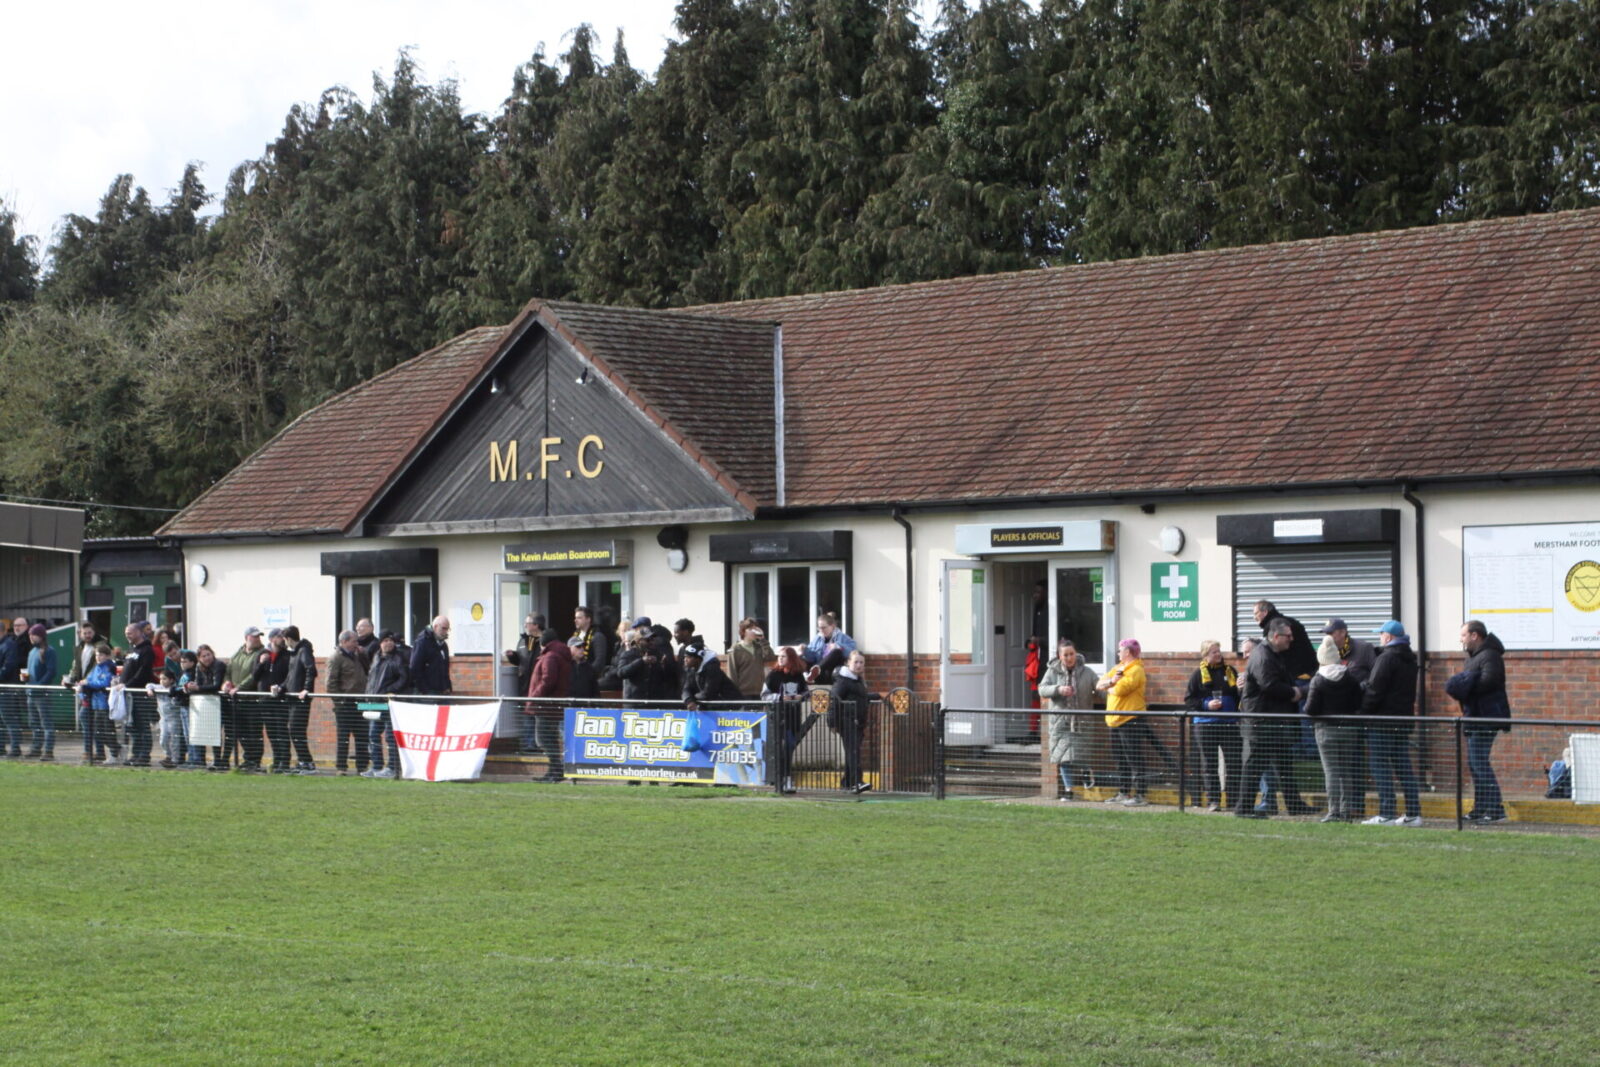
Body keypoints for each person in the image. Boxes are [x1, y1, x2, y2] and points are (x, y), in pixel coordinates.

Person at [1234, 620, 1319, 818]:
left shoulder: (1273, 655)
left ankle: (1294, 805)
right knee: (1255, 766)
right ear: (1275, 637)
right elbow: (1269, 685)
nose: (1291, 639)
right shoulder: (1263, 656)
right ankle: (1243, 809)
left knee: (1284, 765)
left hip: (1273, 722)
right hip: (1262, 723)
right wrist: (1295, 693)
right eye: (1288, 636)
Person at [1360, 620, 1422, 826]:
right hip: (1402, 720)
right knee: (1404, 767)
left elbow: (1374, 689)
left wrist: (1363, 712)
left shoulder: (1386, 658)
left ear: (1388, 637)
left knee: (1380, 767)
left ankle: (1386, 813)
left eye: (1381, 634)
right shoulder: (1410, 659)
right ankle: (1413, 814)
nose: (1379, 638)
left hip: (1381, 721)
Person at [1452, 619, 1510, 823]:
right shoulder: (1475, 657)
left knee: (1479, 762)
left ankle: (1496, 809)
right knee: (1474, 763)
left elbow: (1489, 681)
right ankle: (1481, 807)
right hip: (1475, 717)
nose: (1461, 640)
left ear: (1474, 635)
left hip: (1486, 717)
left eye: (1463, 635)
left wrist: (1464, 686)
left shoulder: (1490, 655)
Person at [1305, 635, 1364, 822]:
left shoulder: (1318, 680)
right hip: (1348, 729)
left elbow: (1310, 709)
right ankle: (1346, 811)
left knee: (1331, 771)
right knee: (1346, 771)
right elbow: (1358, 703)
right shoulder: (1350, 678)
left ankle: (1333, 811)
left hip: (1325, 730)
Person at [1184, 640, 1240, 812]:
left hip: (1229, 723)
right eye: (1214, 652)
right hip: (1205, 724)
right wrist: (1206, 705)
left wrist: (1241, 690)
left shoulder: (1230, 671)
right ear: (1205, 655)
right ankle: (1213, 800)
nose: (1218, 654)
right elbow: (1189, 700)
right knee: (1209, 764)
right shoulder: (1197, 674)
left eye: (1218, 651)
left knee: (1234, 762)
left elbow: (1238, 696)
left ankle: (1234, 800)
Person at [1039, 638, 1097, 800]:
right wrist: (1058, 689)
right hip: (1060, 721)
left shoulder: (1088, 672)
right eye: (1066, 655)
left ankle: (1086, 772)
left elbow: (1099, 688)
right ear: (1060, 656)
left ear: (1075, 653)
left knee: (1081, 753)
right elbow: (1042, 689)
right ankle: (1068, 790)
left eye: (1071, 654)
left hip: (1081, 720)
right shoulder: (1052, 671)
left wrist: (1113, 691)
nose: (1069, 658)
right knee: (1063, 757)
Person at [1096, 638, 1150, 805]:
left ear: (1127, 652)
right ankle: (1124, 792)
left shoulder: (1136, 670)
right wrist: (1111, 682)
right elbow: (1099, 684)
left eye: (1120, 650)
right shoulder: (1118, 668)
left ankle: (1140, 795)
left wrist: (1110, 686)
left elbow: (1120, 689)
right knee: (1120, 759)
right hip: (1115, 720)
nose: (1118, 653)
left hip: (1130, 720)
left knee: (1134, 758)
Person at [762, 646, 811, 794]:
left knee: (789, 747)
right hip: (776, 716)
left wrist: (801, 696)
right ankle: (779, 779)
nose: (780, 658)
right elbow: (764, 695)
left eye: (784, 656)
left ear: (791, 658)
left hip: (793, 716)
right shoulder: (773, 675)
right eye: (779, 656)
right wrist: (779, 697)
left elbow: (807, 693)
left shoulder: (798, 675)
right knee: (777, 748)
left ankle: (787, 777)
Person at [527, 632, 573, 782]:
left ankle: (557, 770)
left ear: (543, 644)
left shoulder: (550, 657)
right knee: (551, 739)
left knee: (543, 740)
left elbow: (548, 680)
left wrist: (535, 696)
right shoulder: (561, 655)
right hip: (554, 704)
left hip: (545, 705)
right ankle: (553, 772)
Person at [361, 630, 408, 779]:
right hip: (374, 702)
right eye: (385, 640)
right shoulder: (376, 657)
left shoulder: (398, 658)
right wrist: (368, 696)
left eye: (391, 640)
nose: (389, 643)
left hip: (388, 703)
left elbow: (404, 678)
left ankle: (392, 768)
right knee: (373, 734)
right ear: (380, 643)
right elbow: (371, 679)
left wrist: (390, 690)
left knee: (390, 736)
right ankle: (376, 766)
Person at [830, 649, 877, 794]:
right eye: (856, 662)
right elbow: (833, 700)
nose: (859, 665)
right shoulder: (843, 681)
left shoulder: (858, 680)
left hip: (858, 722)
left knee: (852, 752)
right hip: (847, 721)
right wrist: (832, 723)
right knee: (853, 752)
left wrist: (878, 696)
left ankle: (847, 782)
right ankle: (857, 782)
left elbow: (860, 697)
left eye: (861, 663)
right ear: (848, 663)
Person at [325, 629, 370, 775]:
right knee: (343, 736)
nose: (357, 644)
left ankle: (362, 767)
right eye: (354, 641)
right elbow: (330, 683)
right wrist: (339, 702)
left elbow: (367, 670)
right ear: (344, 642)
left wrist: (363, 655)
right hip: (346, 703)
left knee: (362, 735)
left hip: (360, 701)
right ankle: (341, 767)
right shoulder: (336, 658)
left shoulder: (357, 656)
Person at [223, 626, 268, 771]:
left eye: (259, 636)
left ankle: (255, 761)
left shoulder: (262, 653)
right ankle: (248, 759)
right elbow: (228, 671)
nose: (258, 639)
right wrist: (226, 683)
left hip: (252, 700)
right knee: (242, 732)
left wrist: (239, 687)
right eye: (255, 636)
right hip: (237, 701)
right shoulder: (237, 654)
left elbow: (254, 675)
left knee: (254, 732)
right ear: (247, 637)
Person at [253, 628, 293, 773]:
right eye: (279, 637)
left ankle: (285, 762)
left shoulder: (287, 656)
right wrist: (261, 663)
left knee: (281, 730)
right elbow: (254, 676)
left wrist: (281, 687)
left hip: (280, 699)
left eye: (283, 637)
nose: (283, 639)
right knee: (271, 732)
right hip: (265, 699)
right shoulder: (262, 654)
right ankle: (277, 760)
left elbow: (290, 676)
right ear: (272, 639)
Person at [281, 625, 318, 774]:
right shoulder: (295, 653)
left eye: (285, 640)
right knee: (295, 731)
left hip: (300, 699)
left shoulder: (304, 651)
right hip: (293, 697)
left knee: (296, 730)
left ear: (289, 639)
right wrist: (281, 687)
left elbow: (311, 669)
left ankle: (307, 763)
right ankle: (304, 762)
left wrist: (307, 689)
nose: (285, 643)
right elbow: (290, 676)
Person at [75, 643, 120, 764]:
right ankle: (118, 749)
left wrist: (87, 684)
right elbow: (89, 680)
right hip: (95, 704)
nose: (98, 657)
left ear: (107, 656)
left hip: (105, 704)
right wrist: (82, 685)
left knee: (108, 731)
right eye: (96, 655)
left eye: (101, 655)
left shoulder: (109, 667)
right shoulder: (96, 668)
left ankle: (114, 753)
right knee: (98, 732)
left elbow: (104, 683)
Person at [120, 622, 156, 767]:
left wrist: (128, 685)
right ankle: (135, 754)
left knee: (142, 725)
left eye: (130, 633)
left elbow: (143, 672)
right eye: (126, 633)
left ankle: (144, 755)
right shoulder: (131, 650)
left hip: (140, 694)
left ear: (139, 632)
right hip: (129, 694)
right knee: (133, 725)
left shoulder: (147, 650)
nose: (127, 636)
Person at [185, 644, 227, 769]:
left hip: (219, 703)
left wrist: (198, 688)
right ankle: (201, 760)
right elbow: (198, 682)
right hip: (205, 704)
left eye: (209, 654)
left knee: (216, 733)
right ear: (199, 658)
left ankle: (218, 761)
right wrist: (191, 686)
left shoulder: (219, 665)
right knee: (203, 732)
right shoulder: (199, 667)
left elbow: (216, 685)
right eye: (204, 656)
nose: (207, 658)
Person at [25, 623, 59, 760]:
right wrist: (26, 679)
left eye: (34, 635)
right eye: (30, 635)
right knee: (34, 723)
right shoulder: (31, 652)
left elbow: (51, 671)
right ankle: (36, 748)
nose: (31, 637)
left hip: (42, 694)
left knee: (46, 723)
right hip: (30, 692)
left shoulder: (49, 651)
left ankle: (48, 751)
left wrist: (39, 685)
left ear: (41, 636)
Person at [682, 639, 742, 709]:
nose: (685, 660)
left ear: (698, 659)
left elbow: (708, 693)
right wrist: (689, 700)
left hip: (730, 707)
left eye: (689, 657)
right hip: (714, 707)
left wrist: (693, 699)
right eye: (685, 657)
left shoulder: (713, 669)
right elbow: (686, 689)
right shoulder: (692, 670)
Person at [0, 616, 29, 758]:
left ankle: (15, 748)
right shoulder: (5, 645)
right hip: (3, 687)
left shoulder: (9, 645)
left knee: (10, 718)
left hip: (7, 688)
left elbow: (9, 666)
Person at [727, 618, 775, 699]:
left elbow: (770, 657)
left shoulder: (759, 647)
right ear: (743, 631)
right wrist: (734, 693)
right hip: (743, 693)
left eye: (755, 628)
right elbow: (732, 673)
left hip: (760, 691)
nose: (753, 631)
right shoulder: (735, 649)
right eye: (750, 629)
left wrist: (763, 640)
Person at [803, 612, 856, 685]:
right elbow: (811, 658)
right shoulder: (817, 639)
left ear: (832, 626)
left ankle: (817, 670)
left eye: (824, 628)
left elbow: (852, 653)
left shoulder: (843, 637)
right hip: (820, 674)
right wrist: (805, 650)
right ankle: (809, 675)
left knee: (836, 651)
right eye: (819, 628)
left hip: (833, 671)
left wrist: (838, 646)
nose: (821, 630)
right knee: (799, 656)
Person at [1319, 618, 1377, 685]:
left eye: (1330, 633)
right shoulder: (1325, 651)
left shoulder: (1364, 648)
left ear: (1343, 633)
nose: (1327, 637)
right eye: (1326, 634)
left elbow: (1376, 674)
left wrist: (1362, 687)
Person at [150, 664, 186, 768]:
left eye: (164, 679)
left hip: (174, 718)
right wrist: (149, 690)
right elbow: (149, 685)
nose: (162, 681)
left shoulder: (175, 689)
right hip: (163, 719)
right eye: (160, 679)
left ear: (171, 680)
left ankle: (175, 758)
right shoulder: (159, 688)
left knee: (175, 739)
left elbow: (177, 701)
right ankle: (168, 755)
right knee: (163, 739)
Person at [504, 614, 544, 700]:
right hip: (524, 686)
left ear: (536, 625)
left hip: (539, 685)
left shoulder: (545, 641)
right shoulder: (523, 640)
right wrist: (512, 656)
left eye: (527, 623)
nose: (525, 626)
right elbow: (520, 661)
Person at [411, 615, 453, 696]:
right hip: (427, 692)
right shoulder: (422, 642)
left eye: (447, 629)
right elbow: (415, 668)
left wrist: (447, 686)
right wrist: (425, 690)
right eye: (443, 628)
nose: (446, 632)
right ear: (435, 627)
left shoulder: (443, 645)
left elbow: (445, 668)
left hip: (442, 691)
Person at [571, 606, 611, 676]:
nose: (575, 620)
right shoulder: (575, 635)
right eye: (575, 618)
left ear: (588, 619)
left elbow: (599, 661)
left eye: (579, 618)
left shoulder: (597, 636)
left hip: (590, 676)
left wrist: (587, 674)